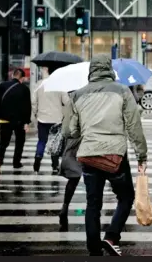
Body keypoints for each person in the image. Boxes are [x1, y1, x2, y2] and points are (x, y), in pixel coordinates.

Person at [68, 54, 148, 256]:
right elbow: (133, 125)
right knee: (126, 196)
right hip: (115, 157)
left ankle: (94, 249)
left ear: (91, 70)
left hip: (89, 156)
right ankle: (112, 236)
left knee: (92, 203)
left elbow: (70, 131)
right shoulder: (122, 91)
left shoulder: (77, 95)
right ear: (109, 69)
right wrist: (141, 155)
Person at [0, 68, 31, 174]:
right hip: (19, 121)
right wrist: (27, 122)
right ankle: (16, 162)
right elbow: (27, 107)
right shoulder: (25, 89)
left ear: (12, 75)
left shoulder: (2, 86)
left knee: (3, 142)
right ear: (23, 78)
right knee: (19, 142)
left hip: (4, 119)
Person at [32, 72, 70, 174]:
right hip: (56, 119)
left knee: (42, 141)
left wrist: (35, 114)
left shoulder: (40, 84)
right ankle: (55, 166)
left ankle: (37, 162)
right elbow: (67, 102)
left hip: (42, 119)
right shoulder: (60, 85)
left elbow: (34, 101)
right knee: (55, 142)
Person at [58, 91, 82, 231]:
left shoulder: (69, 102)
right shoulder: (88, 99)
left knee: (74, 178)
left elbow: (65, 128)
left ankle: (65, 207)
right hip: (85, 140)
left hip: (72, 142)